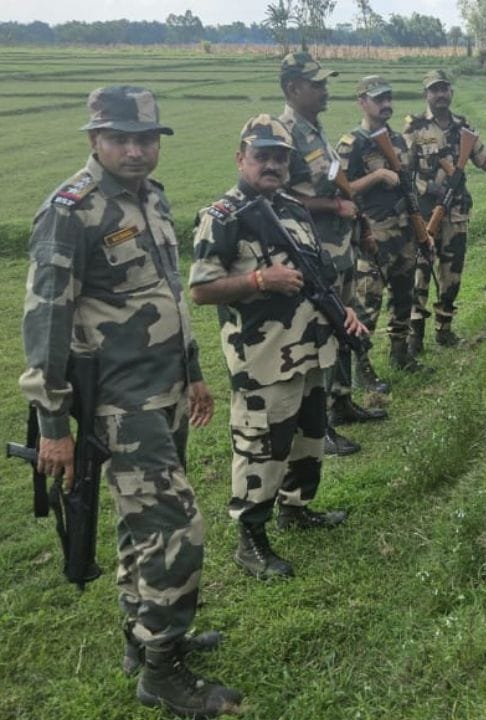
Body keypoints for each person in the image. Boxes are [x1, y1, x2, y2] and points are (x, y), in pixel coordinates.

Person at [20, 85, 241, 717]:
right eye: (122, 138)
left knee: (141, 524)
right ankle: (162, 671)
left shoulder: (152, 198)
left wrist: (194, 370)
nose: (137, 150)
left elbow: (170, 291)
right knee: (177, 528)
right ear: (95, 139)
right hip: (119, 400)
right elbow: (45, 322)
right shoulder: (72, 210)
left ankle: (142, 631)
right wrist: (53, 425)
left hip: (166, 388)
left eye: (147, 138)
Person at [190, 114, 366, 580]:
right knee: (261, 449)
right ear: (241, 158)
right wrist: (257, 279)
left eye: (279, 157)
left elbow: (315, 274)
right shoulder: (221, 217)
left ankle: (297, 508)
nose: (271, 165)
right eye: (261, 156)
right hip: (263, 358)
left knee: (309, 437)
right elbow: (201, 290)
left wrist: (342, 311)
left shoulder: (292, 207)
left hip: (309, 350)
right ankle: (251, 540)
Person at [277, 51, 388, 459]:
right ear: (293, 88)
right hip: (311, 250)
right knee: (321, 335)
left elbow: (334, 183)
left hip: (339, 248)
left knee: (344, 327)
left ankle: (342, 402)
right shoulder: (285, 133)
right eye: (317, 84)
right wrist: (333, 209)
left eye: (325, 83)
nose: (325, 90)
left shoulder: (316, 128)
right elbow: (280, 197)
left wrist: (356, 227)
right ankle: (320, 425)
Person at [402, 69, 486, 349]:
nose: (440, 94)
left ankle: (444, 329)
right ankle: (414, 334)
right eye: (434, 90)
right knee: (421, 272)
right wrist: (428, 189)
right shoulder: (415, 129)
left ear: (451, 92)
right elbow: (404, 171)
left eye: (444, 89)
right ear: (426, 94)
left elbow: (485, 161)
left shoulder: (464, 129)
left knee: (452, 274)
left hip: (457, 212)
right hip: (425, 215)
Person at [337, 75, 424, 381]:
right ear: (362, 102)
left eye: (388, 97)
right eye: (378, 99)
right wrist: (376, 177)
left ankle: (400, 352)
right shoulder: (352, 144)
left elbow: (408, 183)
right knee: (367, 303)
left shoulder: (398, 139)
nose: (386, 104)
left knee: (404, 296)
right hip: (373, 234)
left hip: (403, 231)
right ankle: (362, 367)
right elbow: (341, 189)